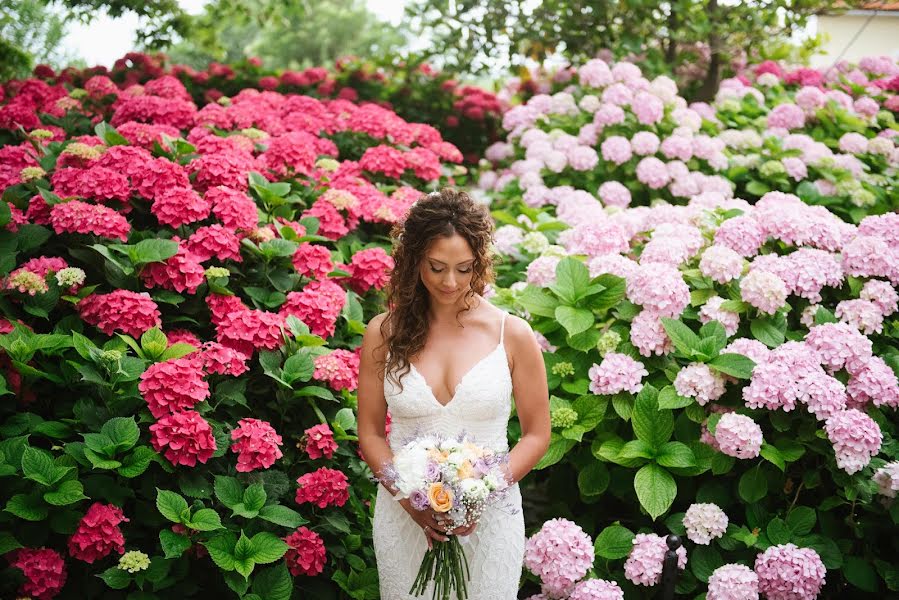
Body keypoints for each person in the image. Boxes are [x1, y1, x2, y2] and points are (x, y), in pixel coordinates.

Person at [357, 188, 551, 599]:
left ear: (479, 262)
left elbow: (537, 434)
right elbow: (371, 434)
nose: (450, 282)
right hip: (402, 514)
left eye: (464, 269)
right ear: (413, 261)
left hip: (492, 517)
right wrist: (409, 499)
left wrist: (483, 493)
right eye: (436, 267)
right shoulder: (383, 333)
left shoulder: (511, 333)